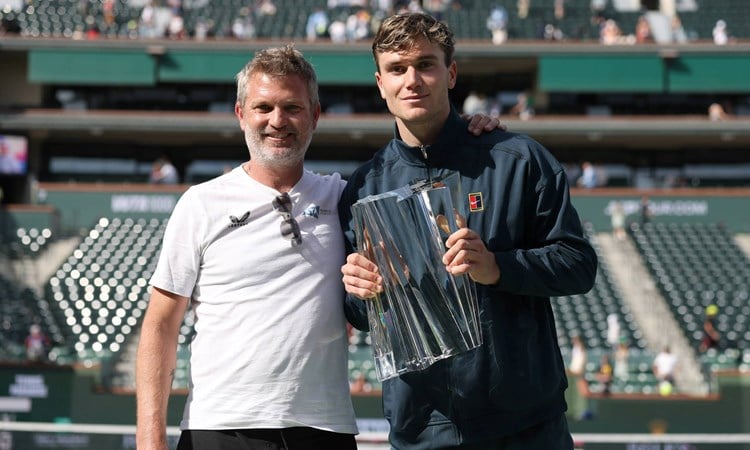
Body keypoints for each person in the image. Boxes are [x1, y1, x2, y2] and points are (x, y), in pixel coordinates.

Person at [136, 44, 504, 450]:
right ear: (241, 114)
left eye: (292, 108)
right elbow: (160, 327)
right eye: (263, 108)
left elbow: (419, 169)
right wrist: (149, 439)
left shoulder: (346, 198)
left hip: (324, 429)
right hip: (221, 426)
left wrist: (466, 132)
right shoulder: (201, 204)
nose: (278, 121)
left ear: (315, 116)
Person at [339, 12, 598, 449]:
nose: (412, 80)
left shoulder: (518, 160)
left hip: (525, 429)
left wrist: (498, 267)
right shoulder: (363, 187)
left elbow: (578, 265)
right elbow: (364, 317)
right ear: (380, 83)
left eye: (426, 64)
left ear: (450, 72)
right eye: (397, 69)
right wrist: (359, 293)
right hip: (421, 431)